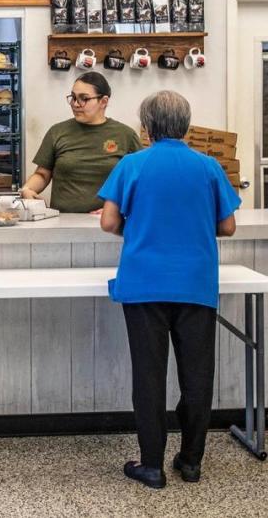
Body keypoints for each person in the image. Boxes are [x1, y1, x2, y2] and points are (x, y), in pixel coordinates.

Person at [99, 90, 240, 489]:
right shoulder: (208, 166)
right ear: (187, 125)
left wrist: (139, 226)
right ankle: (191, 461)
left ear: (146, 128)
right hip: (195, 283)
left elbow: (108, 223)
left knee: (149, 376)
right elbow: (228, 226)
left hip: (144, 284)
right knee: (197, 376)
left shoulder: (132, 164)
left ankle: (152, 466)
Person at [20, 72, 141, 212]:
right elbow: (42, 174)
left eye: (84, 99)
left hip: (107, 225)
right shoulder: (57, 132)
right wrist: (27, 189)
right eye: (73, 97)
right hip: (63, 224)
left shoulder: (125, 135)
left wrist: (118, 208)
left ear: (103, 101)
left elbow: (141, 182)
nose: (75, 104)